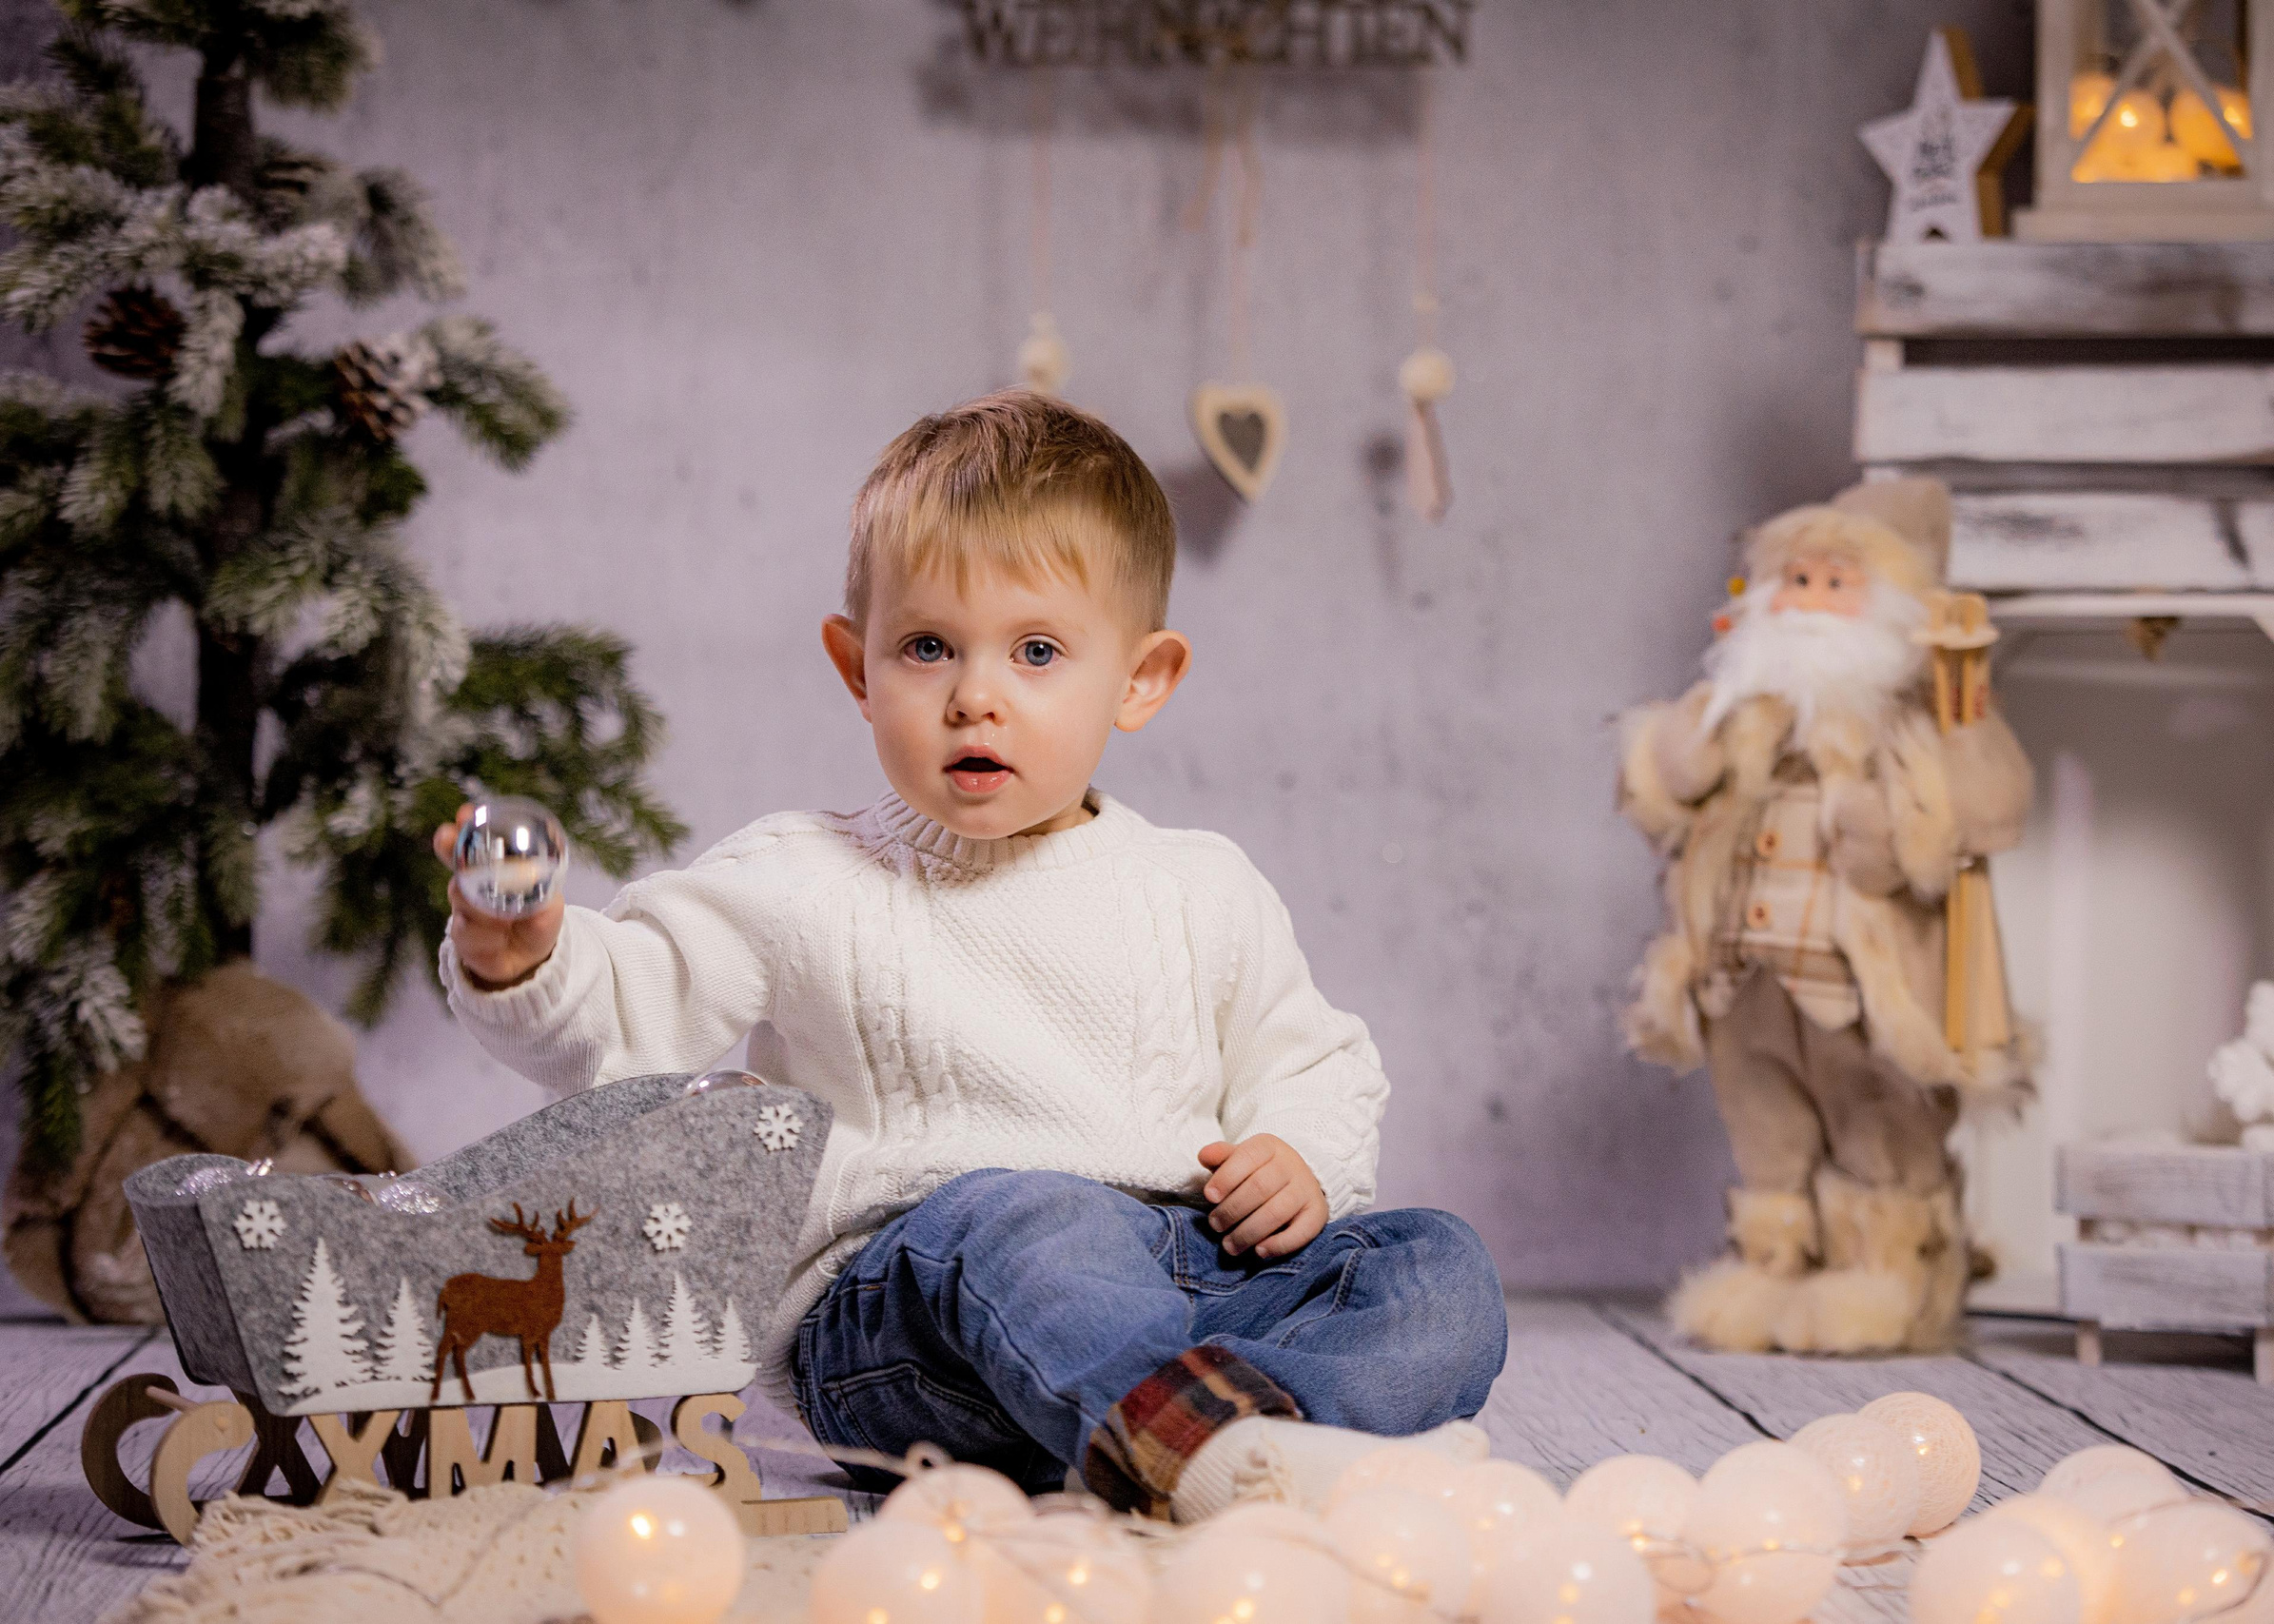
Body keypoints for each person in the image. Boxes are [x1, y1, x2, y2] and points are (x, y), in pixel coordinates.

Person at [436, 389, 1506, 1517]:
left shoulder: (1201, 886)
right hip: (909, 1315)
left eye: (1037, 650)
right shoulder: (808, 876)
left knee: (1432, 1262)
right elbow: (625, 1016)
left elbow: (1318, 1060)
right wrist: (527, 956)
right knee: (1025, 1218)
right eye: (927, 648)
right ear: (858, 668)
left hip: (1180, 1280)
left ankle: (1232, 1439)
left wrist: (1297, 1153)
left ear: (1139, 679)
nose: (975, 697)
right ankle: (1213, 1447)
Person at [1617, 479, 2031, 1356]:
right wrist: (1690, 742)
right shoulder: (1742, 711)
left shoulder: (1920, 720)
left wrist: (1897, 831)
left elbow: (1988, 802)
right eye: (1795, 579)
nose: (1806, 601)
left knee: (1877, 1121)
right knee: (1766, 1120)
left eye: (1834, 583)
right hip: (1747, 979)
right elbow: (1662, 782)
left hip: (1859, 988)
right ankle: (1773, 1264)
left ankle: (1888, 1276)